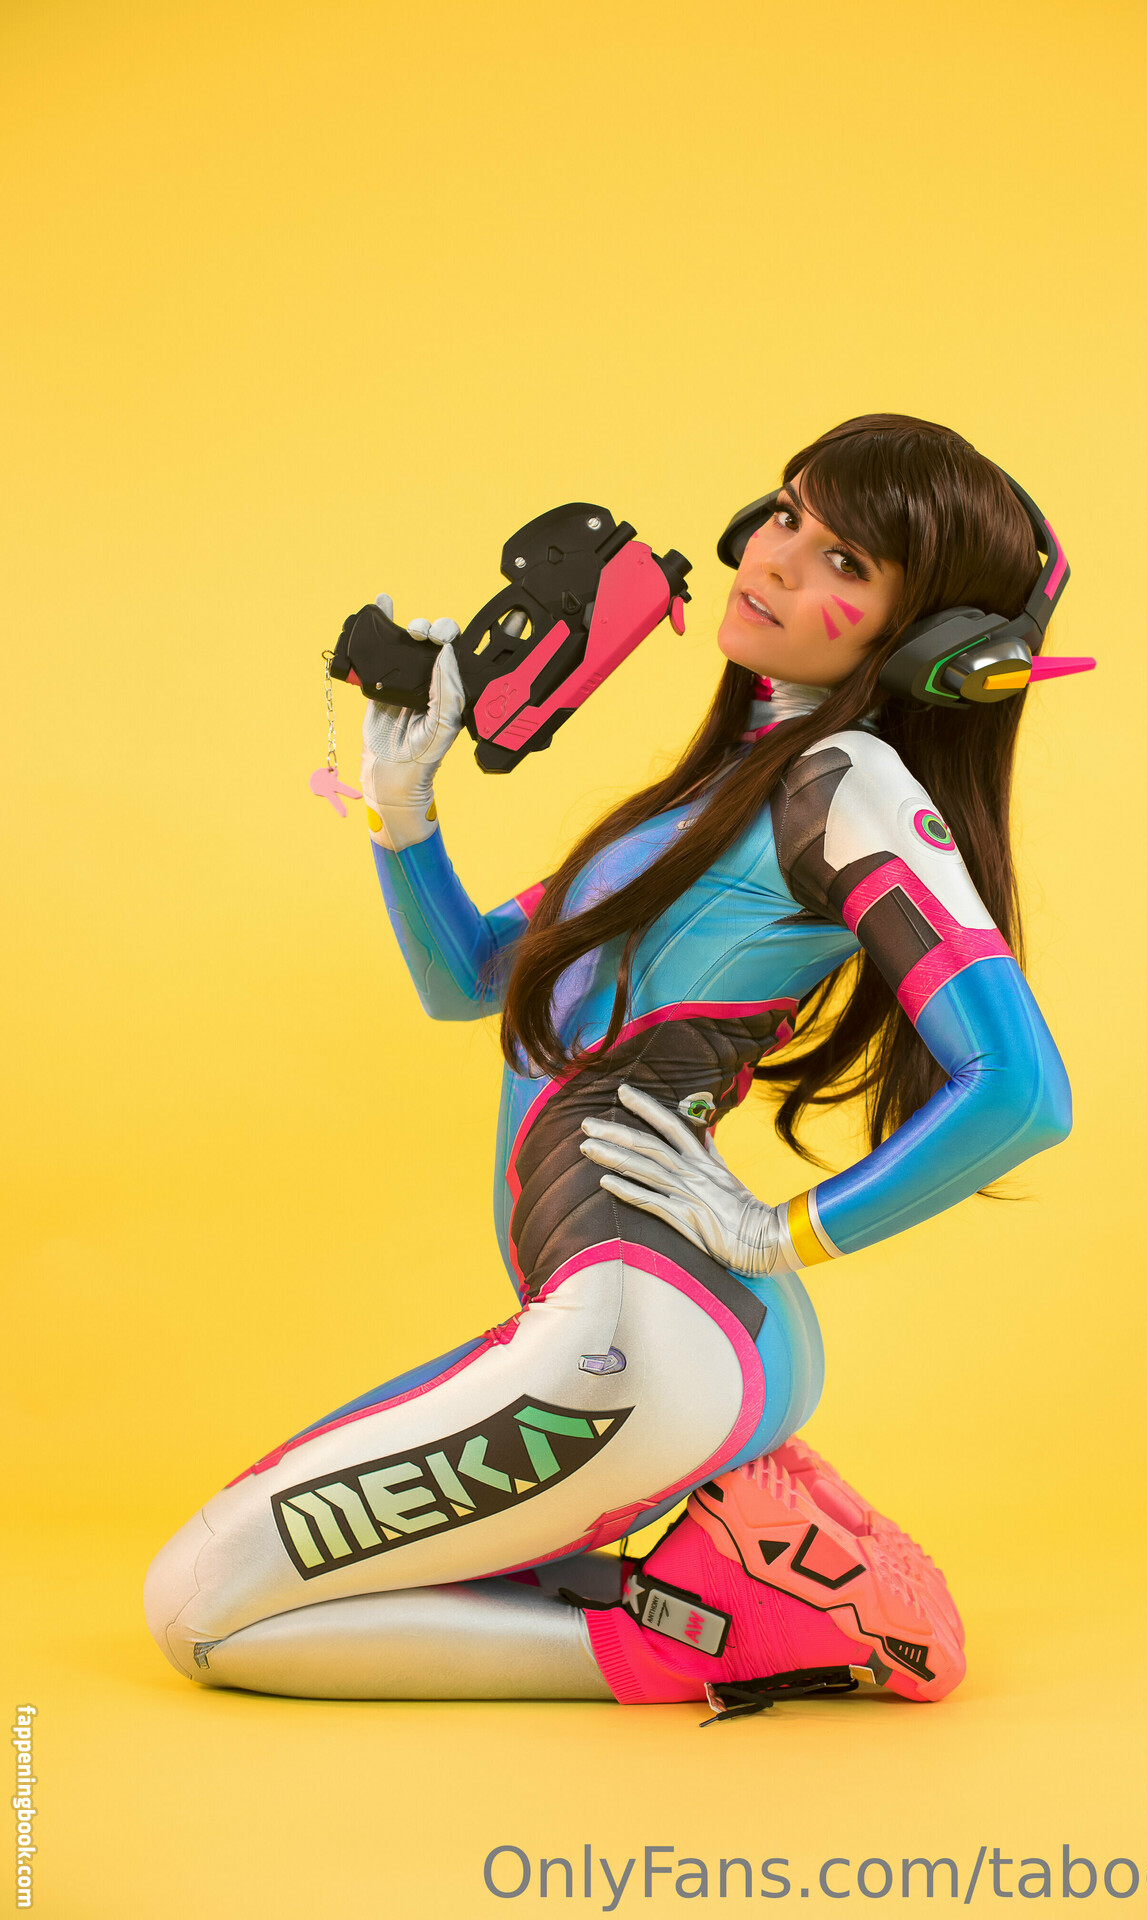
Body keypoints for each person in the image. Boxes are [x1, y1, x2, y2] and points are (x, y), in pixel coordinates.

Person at [144, 413, 1072, 1718]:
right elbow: (474, 980)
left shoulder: (843, 782)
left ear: (931, 645)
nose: (775, 556)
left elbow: (1023, 1091)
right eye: (789, 513)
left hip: (639, 1346)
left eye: (845, 561)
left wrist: (783, 1228)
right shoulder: (724, 793)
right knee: (259, 1580)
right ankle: (749, 1548)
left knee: (199, 1611)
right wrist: (404, 819)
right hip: (656, 1345)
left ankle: (712, 1635)